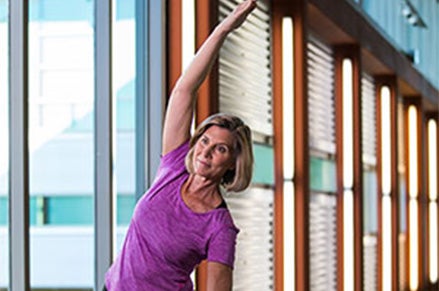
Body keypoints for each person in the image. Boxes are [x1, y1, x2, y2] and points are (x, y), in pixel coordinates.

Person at [104, 1, 256, 290]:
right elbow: (185, 89)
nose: (206, 152)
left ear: (233, 164)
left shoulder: (219, 227)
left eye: (221, 149)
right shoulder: (175, 166)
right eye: (205, 140)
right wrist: (224, 28)